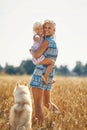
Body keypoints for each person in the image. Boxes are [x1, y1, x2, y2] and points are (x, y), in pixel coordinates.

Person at [30, 20, 59, 127]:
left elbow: (37, 55)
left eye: (49, 28)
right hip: (49, 74)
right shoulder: (53, 42)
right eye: (45, 27)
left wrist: (32, 52)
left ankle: (41, 127)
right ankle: (60, 117)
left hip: (40, 73)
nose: (46, 30)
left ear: (54, 30)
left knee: (38, 103)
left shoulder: (46, 42)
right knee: (47, 103)